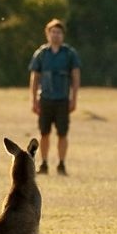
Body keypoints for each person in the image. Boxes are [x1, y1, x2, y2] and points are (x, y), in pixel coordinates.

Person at [28, 18, 81, 175]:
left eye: (58, 32)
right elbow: (34, 78)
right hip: (45, 99)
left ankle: (61, 163)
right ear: (47, 34)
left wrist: (74, 98)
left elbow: (76, 77)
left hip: (63, 99)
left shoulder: (70, 54)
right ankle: (43, 163)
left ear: (63, 35)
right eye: (53, 32)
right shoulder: (41, 54)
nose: (55, 35)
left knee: (62, 133)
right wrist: (33, 99)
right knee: (44, 133)